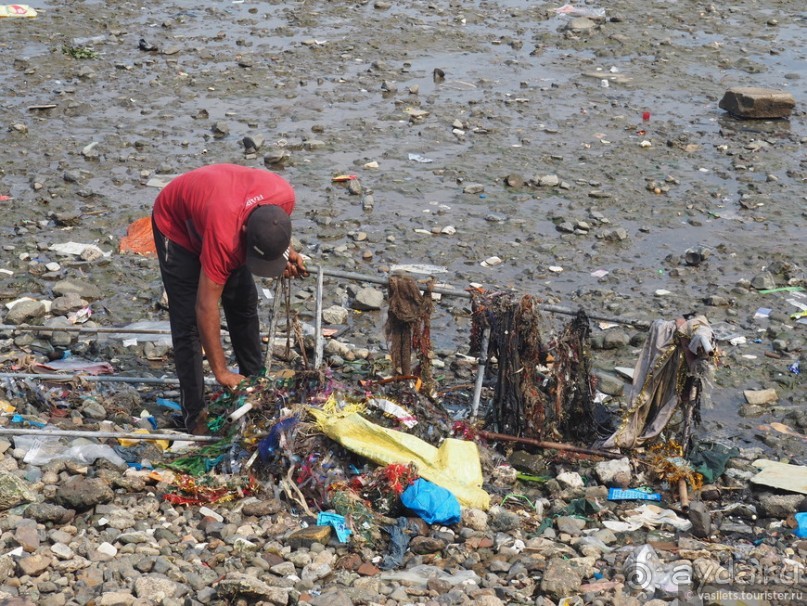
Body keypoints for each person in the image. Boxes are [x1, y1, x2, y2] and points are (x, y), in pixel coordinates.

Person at [151, 164, 307, 434]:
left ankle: (255, 385)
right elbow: (205, 306)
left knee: (244, 302)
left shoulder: (284, 197)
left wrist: (284, 251)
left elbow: (275, 228)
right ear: (245, 232)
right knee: (188, 323)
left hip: (221, 210)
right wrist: (221, 371)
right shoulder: (225, 237)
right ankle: (195, 417)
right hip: (176, 225)